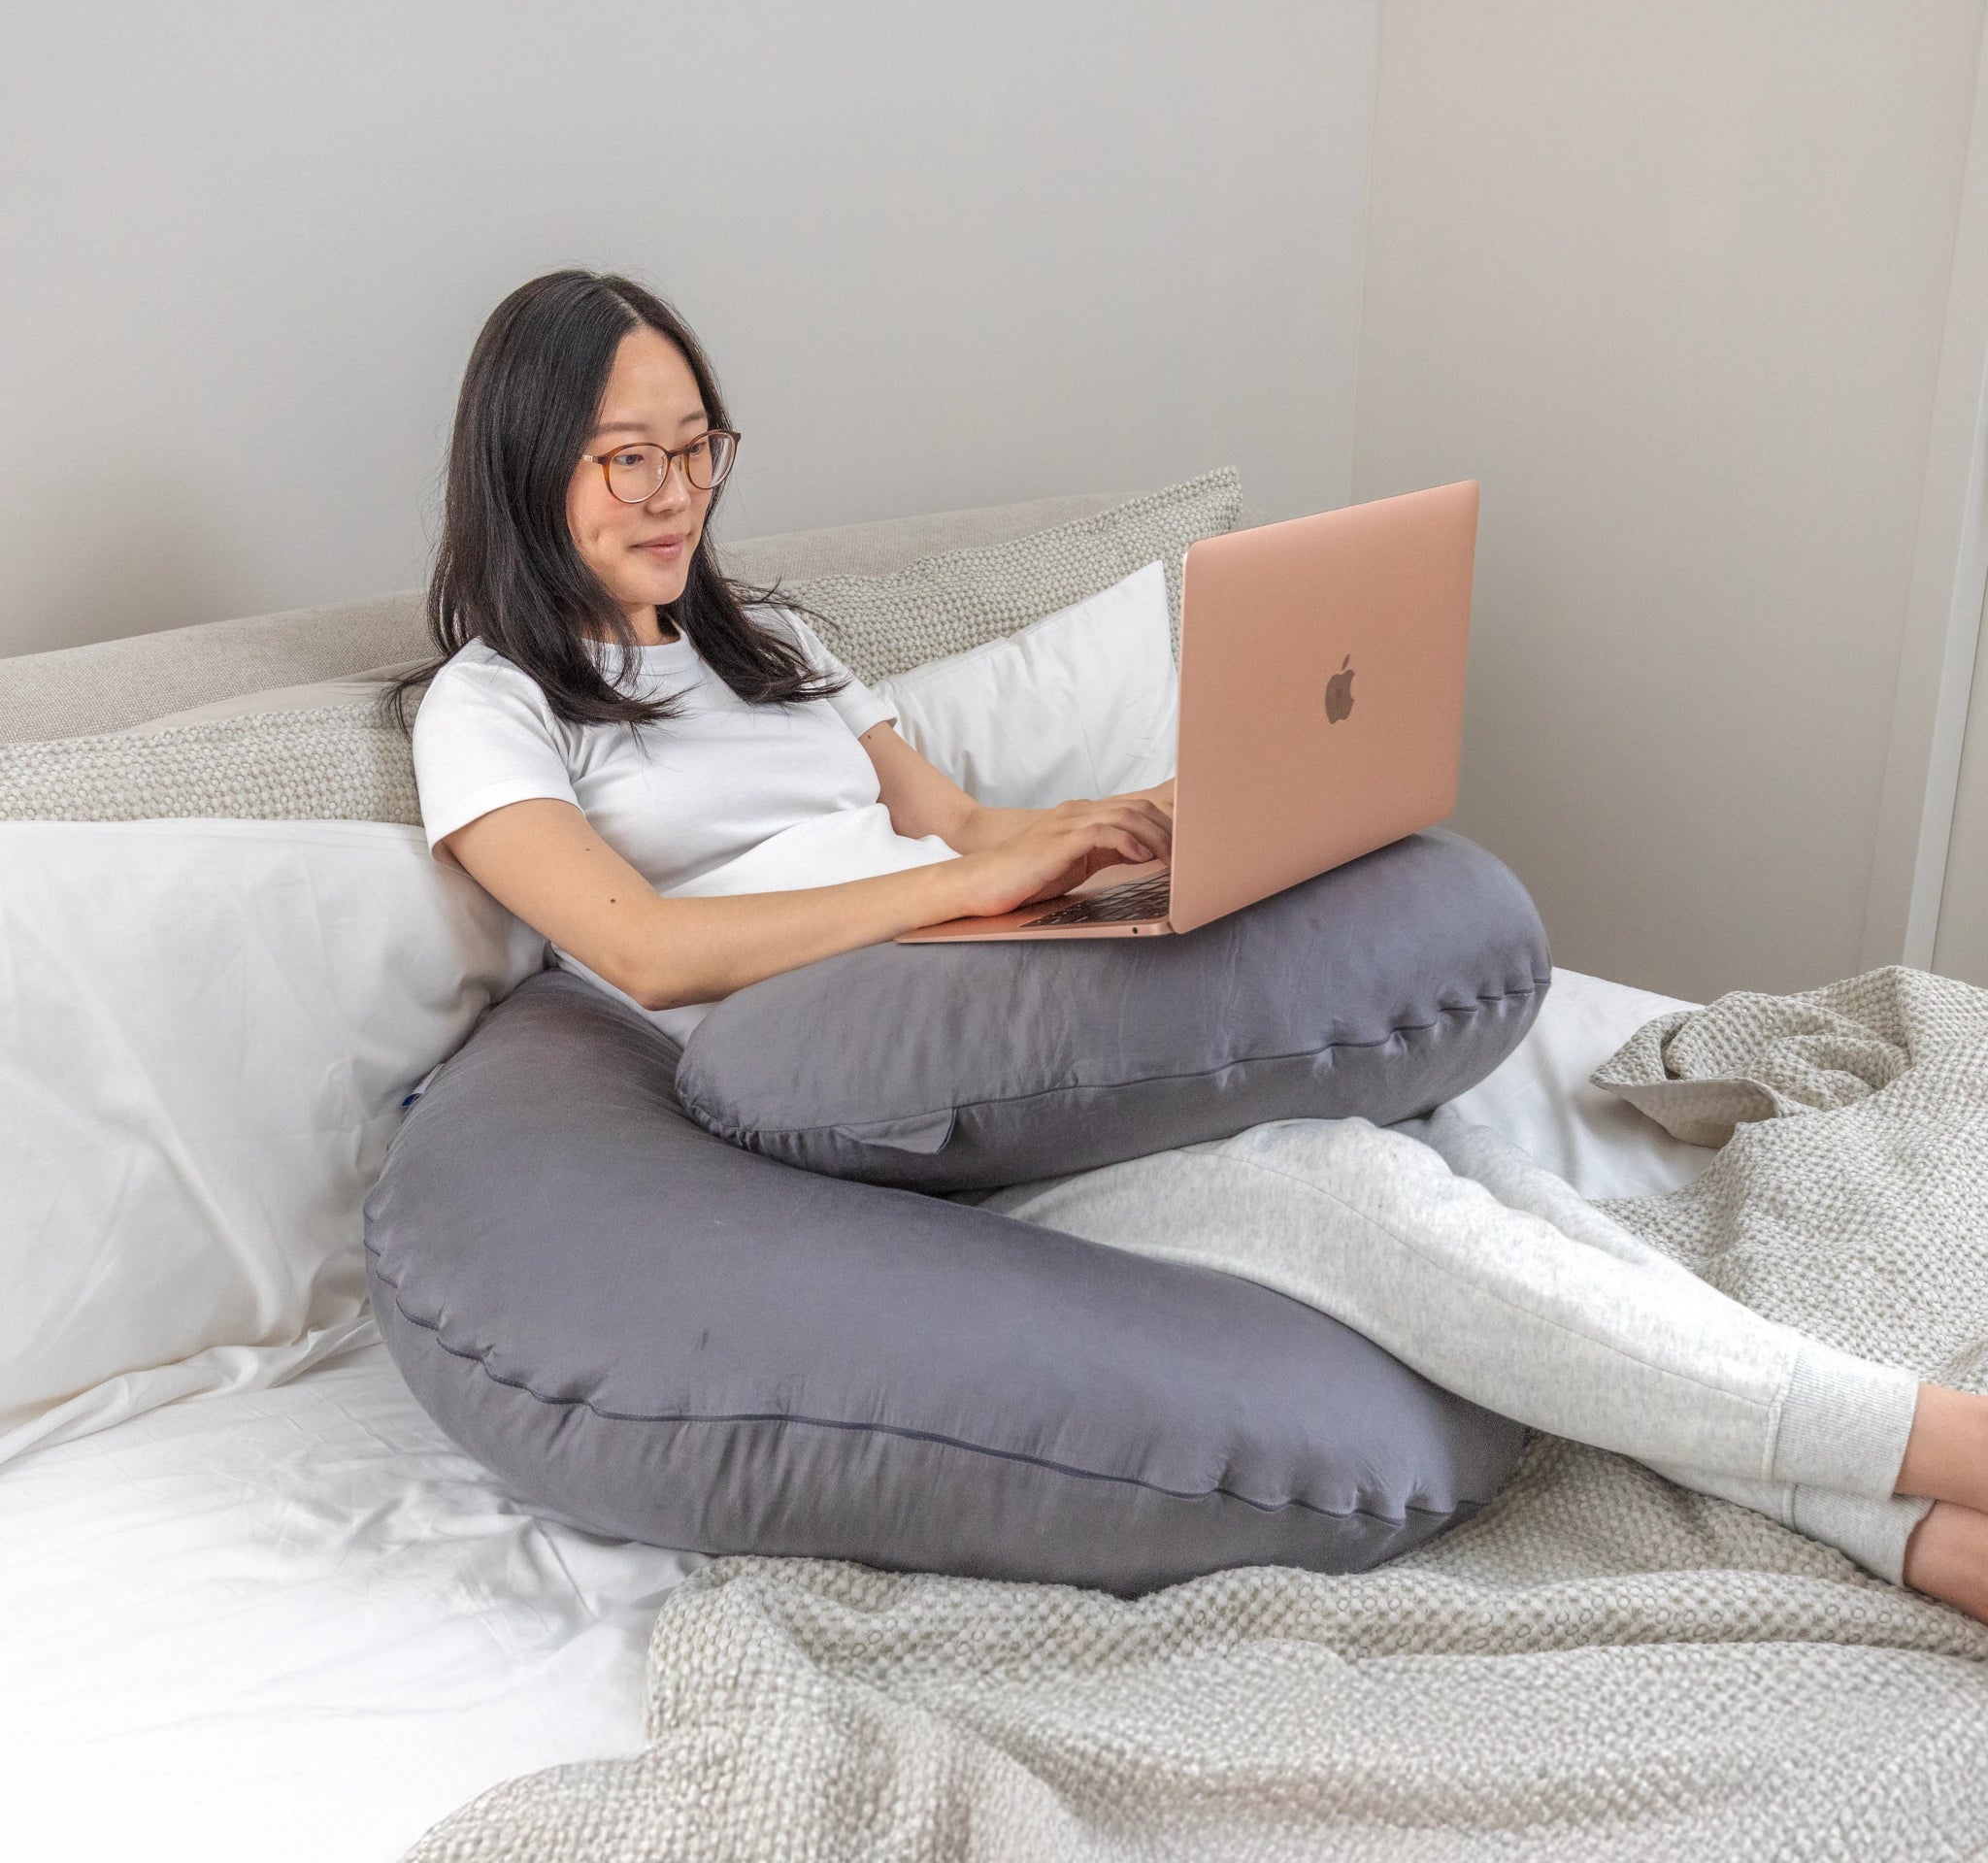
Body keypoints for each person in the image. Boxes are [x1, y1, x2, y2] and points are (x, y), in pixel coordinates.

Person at [402, 268, 1988, 1625]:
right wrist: (966, 894)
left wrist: (1132, 822)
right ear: (531, 465)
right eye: (631, 460)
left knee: (1452, 1187)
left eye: (698, 447)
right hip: (848, 1084)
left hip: (989, 1005)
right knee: (1348, 1195)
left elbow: (949, 827)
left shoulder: (781, 646)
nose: (679, 493)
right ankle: (1932, 1451)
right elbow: (652, 949)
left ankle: (1903, 1526)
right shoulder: (492, 704)